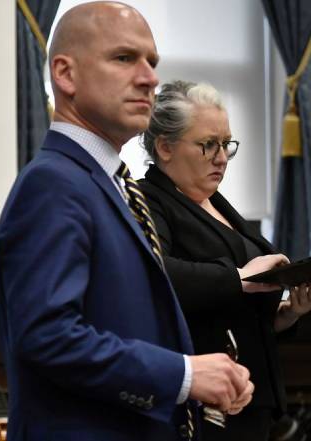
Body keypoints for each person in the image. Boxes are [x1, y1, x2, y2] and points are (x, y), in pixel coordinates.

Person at [0, 3, 255, 440]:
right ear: (65, 74)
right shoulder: (53, 183)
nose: (149, 78)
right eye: (124, 58)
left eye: (152, 62)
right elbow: (48, 337)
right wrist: (183, 376)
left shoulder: (111, 183)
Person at [138, 79, 311, 441]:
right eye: (208, 145)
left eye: (226, 145)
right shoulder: (148, 200)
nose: (221, 158)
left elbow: (238, 307)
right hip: (202, 404)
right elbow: (157, 275)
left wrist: (287, 314)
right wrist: (239, 277)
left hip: (253, 396)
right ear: (165, 147)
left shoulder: (215, 202)